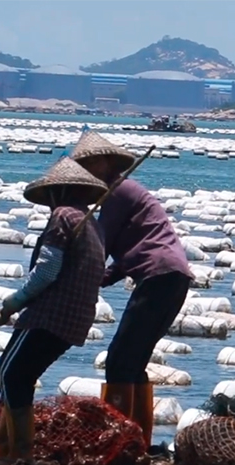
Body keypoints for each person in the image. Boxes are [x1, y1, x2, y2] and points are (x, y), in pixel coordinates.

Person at [69, 130, 193, 448]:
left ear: (107, 163)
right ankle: (139, 441)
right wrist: (100, 279)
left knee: (119, 362)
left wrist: (74, 278)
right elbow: (123, 258)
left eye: (91, 164)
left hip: (159, 276)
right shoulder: (121, 194)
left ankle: (119, 443)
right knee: (133, 362)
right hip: (170, 276)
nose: (87, 170)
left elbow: (100, 245)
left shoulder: (117, 193)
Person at [0, 158, 108, 464]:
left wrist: (13, 303)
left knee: (10, 375)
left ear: (58, 191)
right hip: (76, 316)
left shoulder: (63, 216)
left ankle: (19, 454)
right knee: (15, 376)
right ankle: (3, 450)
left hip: (51, 313)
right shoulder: (90, 221)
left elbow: (47, 271)